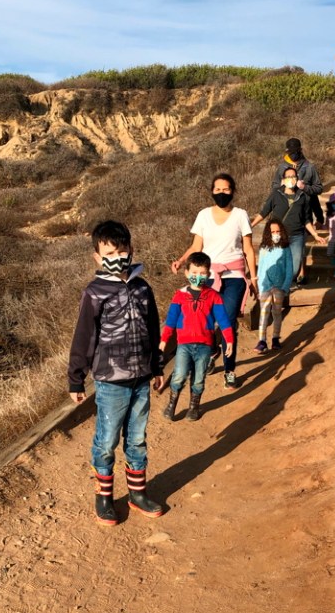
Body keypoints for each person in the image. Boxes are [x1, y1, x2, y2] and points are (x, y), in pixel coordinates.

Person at [68, 220, 164, 526]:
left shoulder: (142, 287)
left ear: (131, 251)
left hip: (141, 378)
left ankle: (137, 494)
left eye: (121, 251)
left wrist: (158, 366)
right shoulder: (95, 292)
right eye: (109, 252)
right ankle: (104, 497)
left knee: (137, 439)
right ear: (97, 257)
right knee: (107, 440)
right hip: (110, 381)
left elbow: (153, 329)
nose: (116, 257)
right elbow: (84, 336)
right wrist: (76, 377)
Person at [171, 173, 256, 391]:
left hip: (234, 276)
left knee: (227, 320)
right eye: (217, 189)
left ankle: (229, 370)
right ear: (211, 191)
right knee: (205, 319)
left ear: (233, 191)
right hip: (207, 277)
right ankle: (213, 351)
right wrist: (181, 261)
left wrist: (253, 278)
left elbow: (248, 248)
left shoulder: (240, 215)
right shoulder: (203, 215)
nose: (221, 193)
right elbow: (196, 246)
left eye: (225, 189)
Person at [159, 252, 234, 421]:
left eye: (202, 274)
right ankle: (172, 404)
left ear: (208, 275)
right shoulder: (179, 295)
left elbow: (223, 319)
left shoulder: (213, 296)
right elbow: (171, 319)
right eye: (194, 273)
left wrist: (229, 339)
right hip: (184, 343)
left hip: (205, 345)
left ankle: (194, 407)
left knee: (199, 378)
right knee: (179, 375)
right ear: (186, 273)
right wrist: (164, 339)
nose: (197, 277)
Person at [252, 166, 326, 286]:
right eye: (288, 177)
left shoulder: (303, 196)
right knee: (276, 262)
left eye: (293, 176)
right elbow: (264, 212)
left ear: (297, 178)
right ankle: (278, 290)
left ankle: (281, 285)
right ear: (283, 179)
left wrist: (315, 235)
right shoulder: (276, 194)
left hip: (297, 236)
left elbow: (306, 220)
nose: (291, 179)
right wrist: (251, 225)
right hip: (278, 235)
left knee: (295, 268)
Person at [254, 219, 294, 354]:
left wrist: (285, 286)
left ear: (281, 232)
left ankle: (275, 338)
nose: (275, 234)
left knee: (276, 313)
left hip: (280, 287)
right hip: (265, 285)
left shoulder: (286, 249)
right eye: (273, 232)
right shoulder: (264, 248)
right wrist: (260, 286)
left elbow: (289, 269)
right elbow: (261, 268)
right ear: (268, 233)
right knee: (264, 313)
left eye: (278, 231)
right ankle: (262, 340)